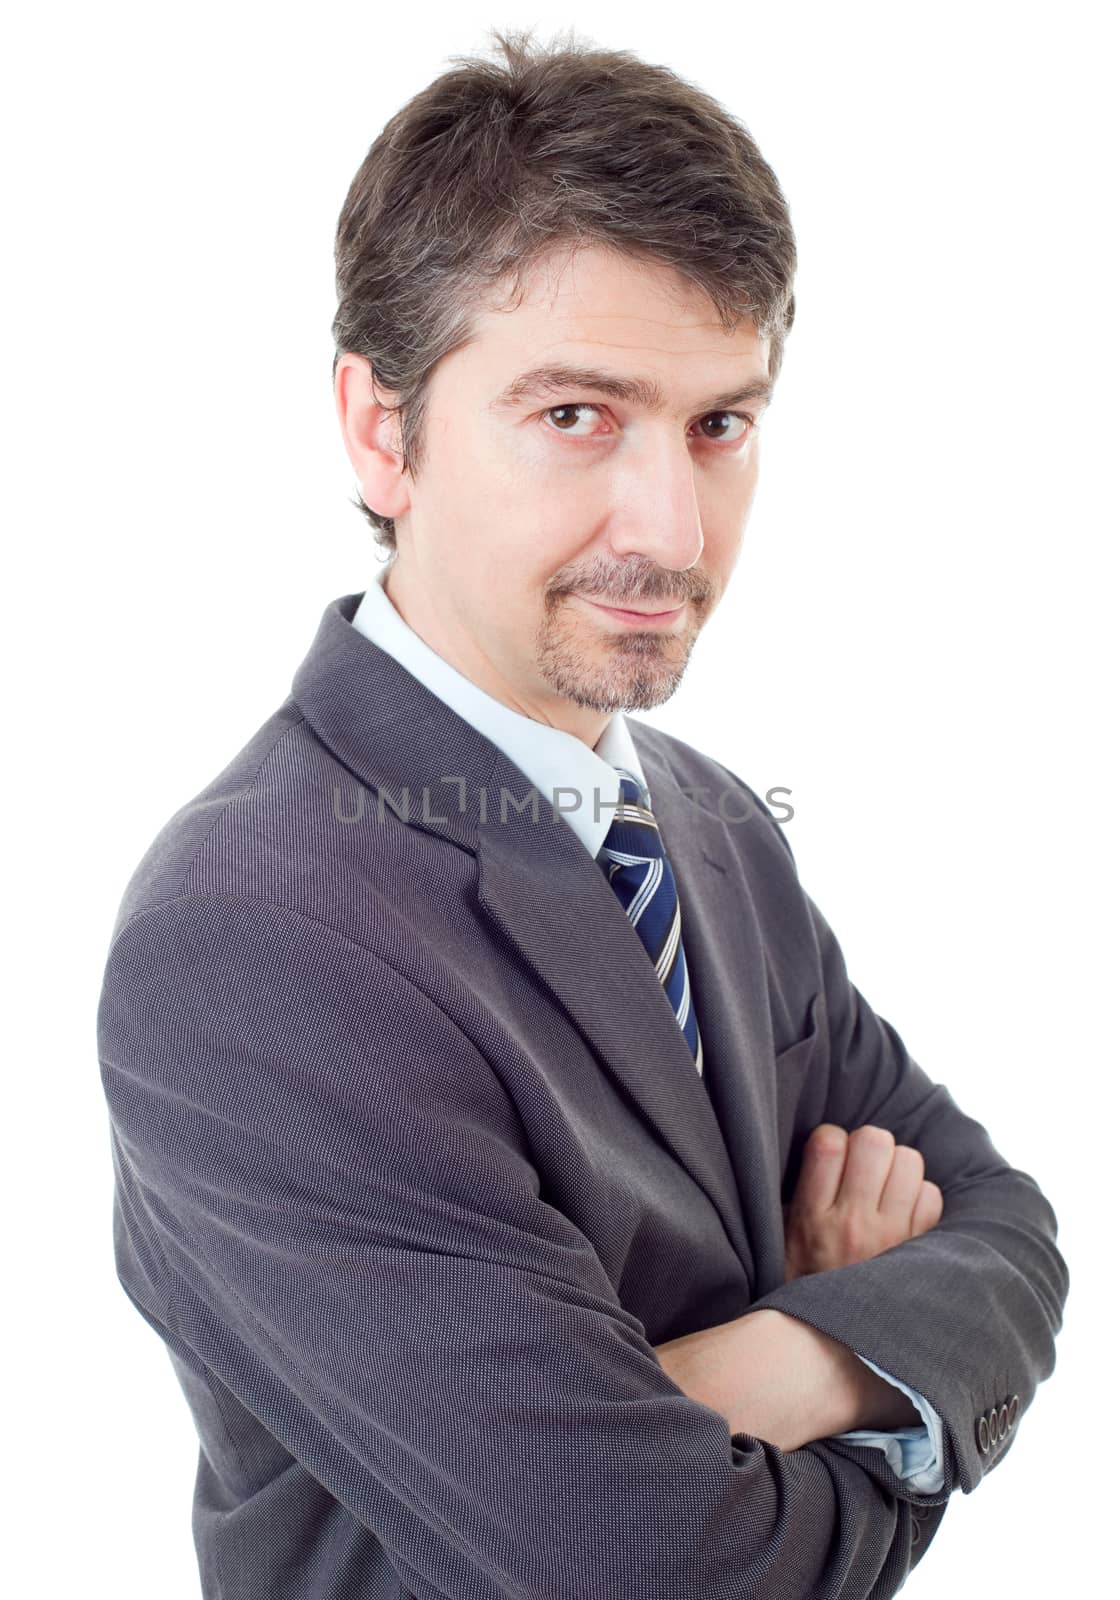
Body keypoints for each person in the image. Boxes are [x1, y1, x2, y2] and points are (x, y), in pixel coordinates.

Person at [95, 25, 1068, 1599]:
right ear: (379, 428)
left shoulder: (710, 826)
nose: (672, 529)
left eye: (719, 425)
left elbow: (1007, 1234)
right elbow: (656, 1564)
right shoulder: (253, 937)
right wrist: (874, 1365)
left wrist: (753, 1375)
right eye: (575, 417)